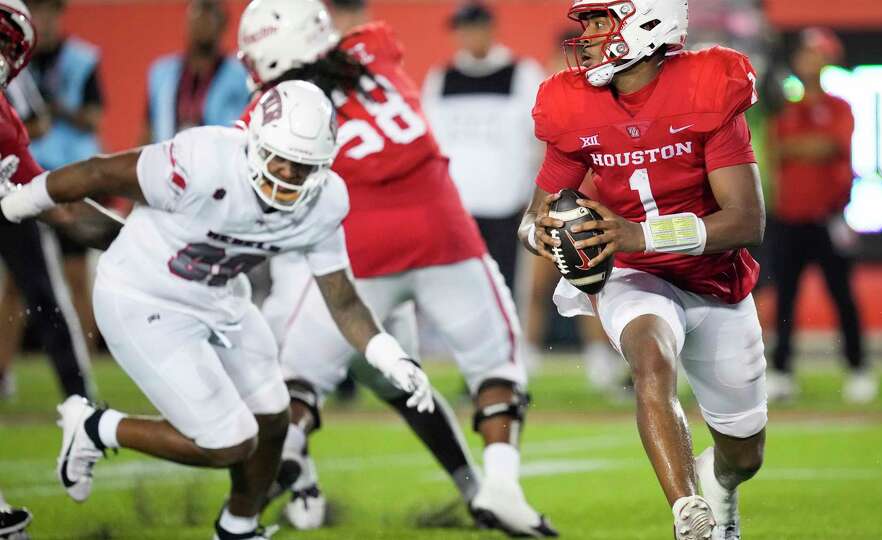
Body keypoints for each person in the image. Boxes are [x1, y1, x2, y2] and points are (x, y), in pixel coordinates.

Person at [0, 80, 435, 540]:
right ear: (255, 140)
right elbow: (98, 173)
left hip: (219, 295)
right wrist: (23, 199)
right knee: (230, 441)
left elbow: (341, 296)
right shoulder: (202, 160)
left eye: (304, 167)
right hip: (140, 295)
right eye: (281, 157)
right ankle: (94, 425)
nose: (287, 174)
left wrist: (390, 355)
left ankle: (238, 529)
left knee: (273, 416)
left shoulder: (325, 202)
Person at [238, 1, 555, 536]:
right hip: (443, 227)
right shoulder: (373, 47)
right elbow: (366, 50)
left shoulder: (271, 108)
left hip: (359, 248)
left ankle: (283, 465)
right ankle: (501, 485)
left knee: (297, 378)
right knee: (494, 363)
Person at [522, 0, 767, 537]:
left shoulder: (708, 84)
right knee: (651, 358)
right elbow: (534, 215)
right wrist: (537, 232)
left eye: (599, 22)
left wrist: (642, 233)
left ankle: (719, 481)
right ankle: (690, 514)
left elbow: (746, 222)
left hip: (714, 280)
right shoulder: (574, 104)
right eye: (584, 25)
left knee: (745, 454)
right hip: (633, 274)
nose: (585, 37)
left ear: (649, 23)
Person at [767, 28, 874, 403]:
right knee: (785, 299)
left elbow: (830, 145)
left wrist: (802, 146)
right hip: (789, 217)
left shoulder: (840, 106)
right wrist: (806, 147)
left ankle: (858, 368)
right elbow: (776, 151)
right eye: (805, 54)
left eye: (816, 53)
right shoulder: (784, 108)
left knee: (843, 296)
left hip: (829, 215)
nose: (809, 60)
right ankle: (781, 371)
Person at [523, 27, 625, 390]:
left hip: (592, 200)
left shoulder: (598, 95)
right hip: (549, 199)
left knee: (591, 284)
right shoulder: (544, 97)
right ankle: (527, 361)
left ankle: (601, 364)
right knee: (536, 286)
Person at [0, 0, 91, 400]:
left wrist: (76, 217)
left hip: (7, 199)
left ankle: (77, 396)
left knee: (40, 291)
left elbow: (37, 185)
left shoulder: (9, 123)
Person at [420, 1, 543, 293]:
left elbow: (540, 139)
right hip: (457, 207)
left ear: (490, 28)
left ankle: (515, 339)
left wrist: (533, 200)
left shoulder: (523, 74)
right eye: (462, 30)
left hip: (506, 208)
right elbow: (430, 143)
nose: (468, 37)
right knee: (457, 289)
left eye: (474, 28)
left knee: (508, 288)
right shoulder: (441, 78)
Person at [16, 0, 106, 356]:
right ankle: (3, 375)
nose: (45, 21)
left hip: (70, 179)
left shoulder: (81, 58)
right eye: (38, 12)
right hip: (27, 179)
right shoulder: (18, 60)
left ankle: (87, 360)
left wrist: (57, 110)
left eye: (51, 13)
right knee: (16, 282)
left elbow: (95, 119)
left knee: (75, 278)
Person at [143, 0, 249, 144]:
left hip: (221, 162)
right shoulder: (161, 73)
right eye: (197, 11)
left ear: (223, 24)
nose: (203, 20)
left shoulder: (241, 76)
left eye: (210, 12)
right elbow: (149, 129)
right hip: (169, 161)